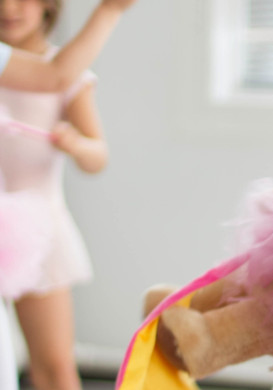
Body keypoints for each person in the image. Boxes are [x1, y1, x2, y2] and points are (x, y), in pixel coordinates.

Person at [0, 1, 137, 389]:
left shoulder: (70, 72)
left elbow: (98, 155)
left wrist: (77, 145)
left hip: (39, 234)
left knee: (55, 366)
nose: (8, 8)